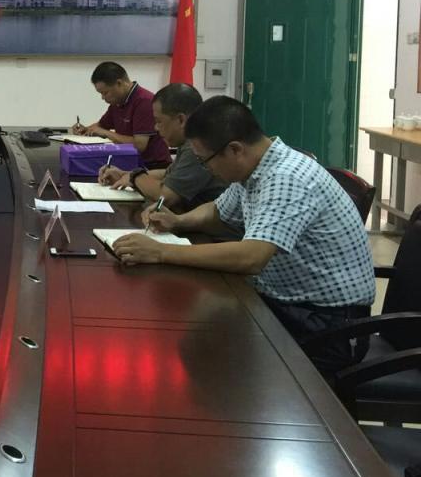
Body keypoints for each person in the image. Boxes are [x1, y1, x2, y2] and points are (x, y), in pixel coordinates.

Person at [112, 95, 375, 377]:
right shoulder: (255, 168)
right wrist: (178, 221)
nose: (207, 169)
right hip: (289, 304)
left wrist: (160, 252)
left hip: (328, 326)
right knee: (193, 330)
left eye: (205, 161)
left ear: (235, 149)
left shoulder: (286, 178)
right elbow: (217, 212)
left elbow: (251, 257)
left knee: (212, 360)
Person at [98, 83, 227, 212]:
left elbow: (166, 196)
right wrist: (125, 175)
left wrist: (135, 177)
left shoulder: (198, 147)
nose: (156, 127)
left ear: (181, 120)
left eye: (159, 121)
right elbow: (168, 174)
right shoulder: (187, 140)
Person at [72, 61, 171, 168]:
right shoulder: (118, 101)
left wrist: (106, 133)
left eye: (105, 92)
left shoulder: (144, 101)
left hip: (152, 166)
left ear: (119, 83)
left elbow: (139, 145)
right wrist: (85, 130)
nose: (103, 98)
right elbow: (101, 126)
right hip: (130, 162)